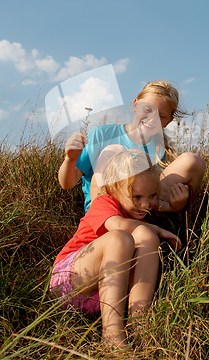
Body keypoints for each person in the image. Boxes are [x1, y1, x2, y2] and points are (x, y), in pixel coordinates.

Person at [50, 149, 181, 348]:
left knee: (146, 235)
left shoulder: (139, 216)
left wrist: (153, 231)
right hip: (70, 281)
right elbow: (118, 226)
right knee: (121, 239)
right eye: (136, 196)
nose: (145, 204)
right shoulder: (103, 202)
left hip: (101, 297)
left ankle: (139, 324)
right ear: (113, 188)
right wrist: (156, 229)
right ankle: (112, 336)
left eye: (152, 195)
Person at [58, 80, 205, 214]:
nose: (152, 119)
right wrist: (70, 159)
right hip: (106, 211)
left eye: (161, 116)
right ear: (135, 105)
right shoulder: (102, 134)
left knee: (192, 161)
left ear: (168, 121)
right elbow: (66, 184)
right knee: (116, 151)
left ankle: (185, 220)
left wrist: (176, 205)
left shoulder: (157, 151)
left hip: (140, 210)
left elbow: (149, 196)